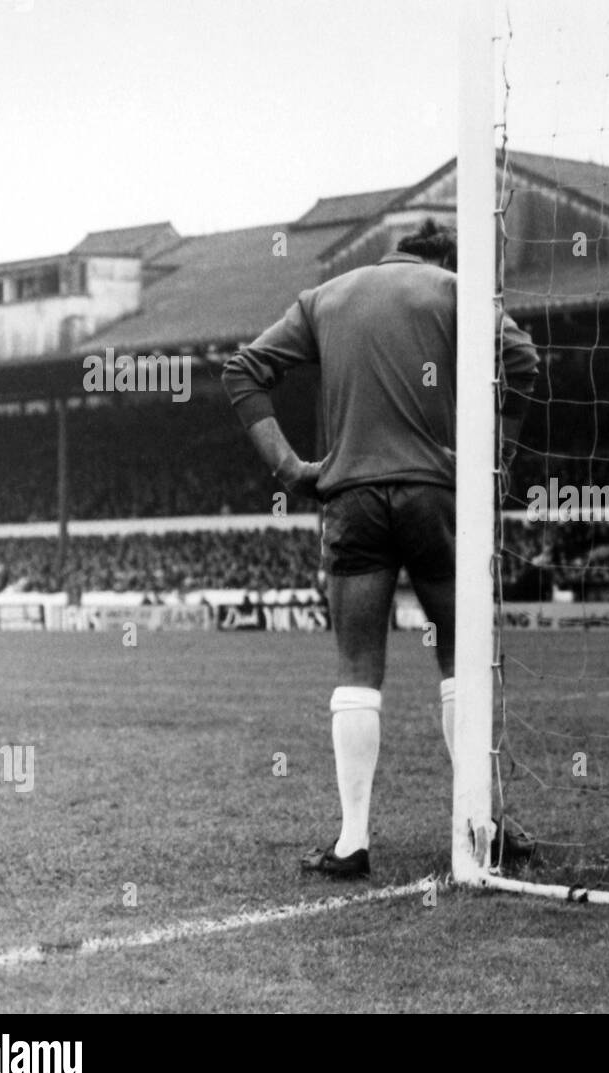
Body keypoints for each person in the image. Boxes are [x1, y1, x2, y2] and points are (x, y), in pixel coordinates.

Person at [222, 219, 539, 878]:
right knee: (460, 659)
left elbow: (243, 371)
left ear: (391, 253)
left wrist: (290, 469)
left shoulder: (323, 297)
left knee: (357, 667)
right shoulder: (456, 289)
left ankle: (352, 841)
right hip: (436, 494)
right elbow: (525, 360)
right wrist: (494, 464)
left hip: (351, 496)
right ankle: (479, 823)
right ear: (445, 258)